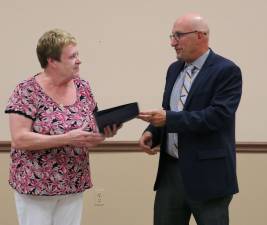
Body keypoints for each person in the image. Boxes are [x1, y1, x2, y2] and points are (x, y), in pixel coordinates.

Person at [5, 29, 120, 225]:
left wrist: (103, 135)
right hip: (36, 186)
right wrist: (67, 138)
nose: (79, 60)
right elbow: (19, 138)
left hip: (73, 183)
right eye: (72, 56)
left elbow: (88, 133)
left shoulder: (83, 87)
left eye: (78, 55)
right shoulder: (27, 90)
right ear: (52, 61)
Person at [138, 13, 242, 225]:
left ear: (200, 36)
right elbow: (169, 109)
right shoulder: (174, 69)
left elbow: (216, 117)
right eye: (172, 36)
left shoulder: (227, 71)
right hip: (170, 173)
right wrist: (152, 132)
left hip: (209, 176)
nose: (172, 42)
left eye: (178, 36)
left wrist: (167, 119)